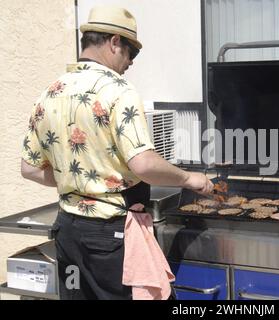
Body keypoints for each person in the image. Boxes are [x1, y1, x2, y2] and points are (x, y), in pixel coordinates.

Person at [21, 6, 213, 300]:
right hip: (108, 237)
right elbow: (143, 163)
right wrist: (189, 178)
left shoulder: (49, 94)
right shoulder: (118, 91)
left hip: (67, 232)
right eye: (131, 52)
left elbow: (30, 169)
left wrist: (79, 178)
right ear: (113, 42)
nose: (131, 62)